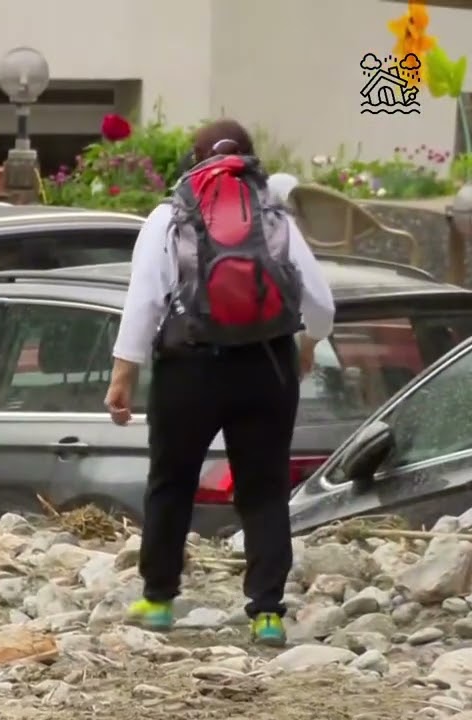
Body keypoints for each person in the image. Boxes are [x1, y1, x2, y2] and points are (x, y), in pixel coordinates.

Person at [103, 119, 335, 647]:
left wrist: (124, 374)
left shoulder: (169, 216)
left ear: (193, 160)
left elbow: (145, 301)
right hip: (267, 366)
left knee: (171, 482)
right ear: (252, 160)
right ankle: (268, 613)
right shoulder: (275, 215)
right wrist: (308, 343)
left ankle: (159, 600)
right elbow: (320, 304)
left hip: (190, 368)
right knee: (265, 490)